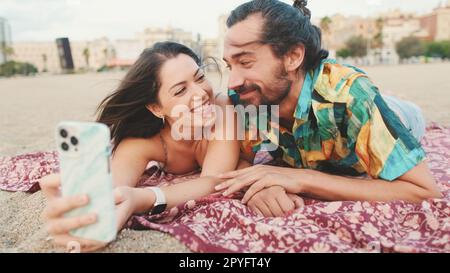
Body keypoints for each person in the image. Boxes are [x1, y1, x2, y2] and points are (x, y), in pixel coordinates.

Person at [39, 41, 305, 252]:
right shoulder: (142, 143)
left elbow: (214, 180)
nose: (200, 93)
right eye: (180, 91)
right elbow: (114, 190)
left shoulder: (224, 107)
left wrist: (142, 198)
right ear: (155, 108)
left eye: (199, 78)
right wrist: (84, 215)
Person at [216, 0, 442, 217]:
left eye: (245, 62)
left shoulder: (350, 94)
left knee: (392, 109)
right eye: (229, 65)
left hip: (406, 117)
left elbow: (423, 190)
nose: (232, 82)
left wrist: (303, 178)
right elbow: (244, 159)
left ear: (293, 57)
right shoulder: (248, 96)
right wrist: (260, 187)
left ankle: (388, 101)